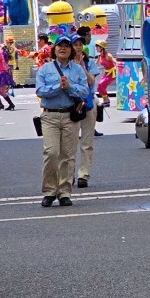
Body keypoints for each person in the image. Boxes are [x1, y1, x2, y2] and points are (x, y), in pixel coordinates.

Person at [35, 36, 89, 207]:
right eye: (60, 46)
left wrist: (69, 87)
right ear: (55, 49)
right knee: (51, 153)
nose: (63, 49)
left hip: (70, 117)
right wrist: (58, 86)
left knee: (67, 156)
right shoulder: (45, 69)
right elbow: (40, 91)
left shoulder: (78, 70)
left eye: (67, 46)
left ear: (71, 50)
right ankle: (49, 191)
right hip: (50, 116)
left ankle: (64, 192)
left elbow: (84, 91)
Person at [73, 39, 99, 188]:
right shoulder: (65, 64)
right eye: (75, 45)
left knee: (86, 142)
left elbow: (90, 82)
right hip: (71, 105)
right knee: (69, 143)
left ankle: (83, 174)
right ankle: (68, 174)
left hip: (87, 103)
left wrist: (82, 66)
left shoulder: (89, 63)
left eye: (80, 45)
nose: (78, 47)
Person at [0, 36, 14, 110]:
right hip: (0, 73)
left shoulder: (4, 54)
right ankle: (1, 104)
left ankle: (11, 105)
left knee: (1, 92)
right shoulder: (2, 53)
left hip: (4, 74)